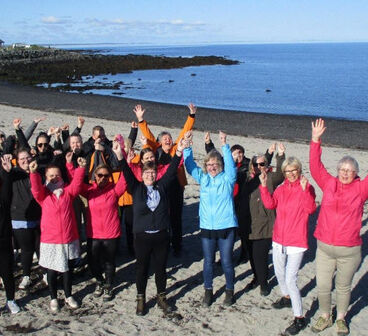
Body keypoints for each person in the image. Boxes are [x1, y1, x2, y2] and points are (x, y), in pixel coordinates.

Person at [309, 118, 368, 335]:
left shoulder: (361, 190)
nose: (344, 172)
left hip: (349, 250)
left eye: (349, 170)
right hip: (324, 247)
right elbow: (315, 167)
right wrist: (315, 140)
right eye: (342, 169)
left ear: (356, 173)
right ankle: (325, 316)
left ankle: (341, 318)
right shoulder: (329, 183)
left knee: (343, 287)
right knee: (323, 286)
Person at [119, 136, 186, 315]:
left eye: (152, 173)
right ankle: (141, 298)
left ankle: (161, 297)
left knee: (160, 269)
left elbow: (172, 170)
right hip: (142, 237)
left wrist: (178, 151)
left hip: (162, 235)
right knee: (141, 269)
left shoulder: (162, 186)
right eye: (146, 173)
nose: (150, 175)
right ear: (141, 175)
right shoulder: (136, 188)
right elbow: (126, 170)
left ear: (156, 174)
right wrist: (120, 156)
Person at [259, 157, 316, 335]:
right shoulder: (281, 188)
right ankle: (286, 296)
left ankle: (299, 317)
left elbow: (311, 209)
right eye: (287, 171)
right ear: (284, 173)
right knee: (279, 272)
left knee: (291, 279)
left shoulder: (306, 187)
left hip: (296, 242)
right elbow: (270, 204)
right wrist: (263, 186)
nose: (291, 174)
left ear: (299, 170)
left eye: (294, 170)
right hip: (278, 239)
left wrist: (306, 190)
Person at [134, 103, 196, 256]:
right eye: (165, 139)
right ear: (160, 141)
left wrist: (191, 116)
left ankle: (177, 245)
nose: (168, 140)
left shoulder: (176, 148)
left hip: (176, 187)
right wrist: (141, 120)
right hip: (161, 187)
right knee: (163, 216)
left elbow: (184, 132)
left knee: (176, 216)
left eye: (169, 138)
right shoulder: (156, 150)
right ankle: (165, 243)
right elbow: (148, 135)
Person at [184, 131, 238, 307]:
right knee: (208, 262)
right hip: (207, 226)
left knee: (227, 261)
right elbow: (190, 166)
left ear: (220, 165)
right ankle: (208, 290)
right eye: (209, 164)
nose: (212, 167)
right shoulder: (204, 178)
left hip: (226, 226)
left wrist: (224, 144)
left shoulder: (227, 179)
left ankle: (230, 290)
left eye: (215, 164)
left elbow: (231, 167)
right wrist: (187, 147)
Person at [30, 156, 86, 312]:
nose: (55, 178)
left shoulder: (68, 192)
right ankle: (53, 298)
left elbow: (76, 184)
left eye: (57, 175)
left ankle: (68, 295)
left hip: (67, 238)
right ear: (46, 177)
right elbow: (35, 189)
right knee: (52, 271)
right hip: (50, 240)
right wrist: (33, 173)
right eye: (51, 175)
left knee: (67, 269)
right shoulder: (43, 195)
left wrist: (81, 169)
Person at [74, 146, 127, 302]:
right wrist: (77, 167)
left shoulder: (114, 191)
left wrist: (125, 160)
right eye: (99, 175)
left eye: (106, 175)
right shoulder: (89, 190)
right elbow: (76, 184)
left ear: (109, 177)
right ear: (94, 176)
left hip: (111, 234)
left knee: (110, 262)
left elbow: (125, 179)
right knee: (93, 262)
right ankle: (100, 281)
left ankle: (109, 285)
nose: (103, 178)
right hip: (94, 234)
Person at [237, 144, 285, 296]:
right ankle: (256, 277)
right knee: (251, 255)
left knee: (261, 257)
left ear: (266, 165)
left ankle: (264, 283)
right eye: (256, 164)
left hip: (265, 225)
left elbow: (281, 175)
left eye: (262, 164)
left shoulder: (270, 178)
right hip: (246, 224)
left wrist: (280, 156)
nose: (259, 166)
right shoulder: (244, 178)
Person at [10, 148, 42, 289]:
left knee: (41, 247)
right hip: (20, 218)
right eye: (22, 158)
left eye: (27, 157)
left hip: (39, 216)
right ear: (17, 161)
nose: (25, 161)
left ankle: (46, 273)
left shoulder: (38, 172)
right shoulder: (14, 174)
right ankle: (26, 275)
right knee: (27, 249)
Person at [0, 154, 20, 314]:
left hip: (3, 239)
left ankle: (11, 300)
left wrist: (7, 173)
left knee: (7, 271)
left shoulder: (3, 202)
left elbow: (7, 195)